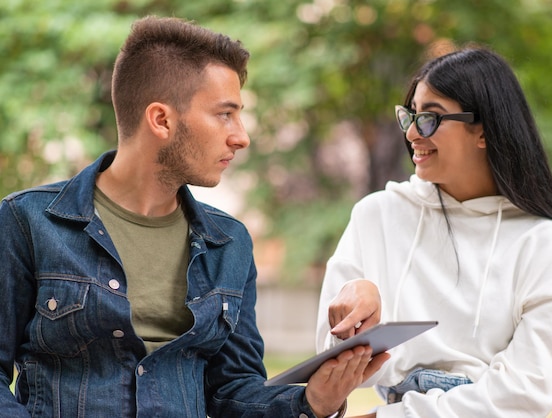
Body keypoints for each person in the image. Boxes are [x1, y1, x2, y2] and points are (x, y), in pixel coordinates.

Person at [0, 16, 389, 418]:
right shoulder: (27, 222)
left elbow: (233, 392)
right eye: (225, 114)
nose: (241, 136)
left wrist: (312, 402)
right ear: (162, 120)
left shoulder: (230, 242)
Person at [316, 46, 552, 417]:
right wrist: (356, 307)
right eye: (410, 115)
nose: (413, 132)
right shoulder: (377, 216)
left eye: (431, 118)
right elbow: (328, 364)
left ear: (483, 130)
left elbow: (524, 393)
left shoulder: (549, 246)